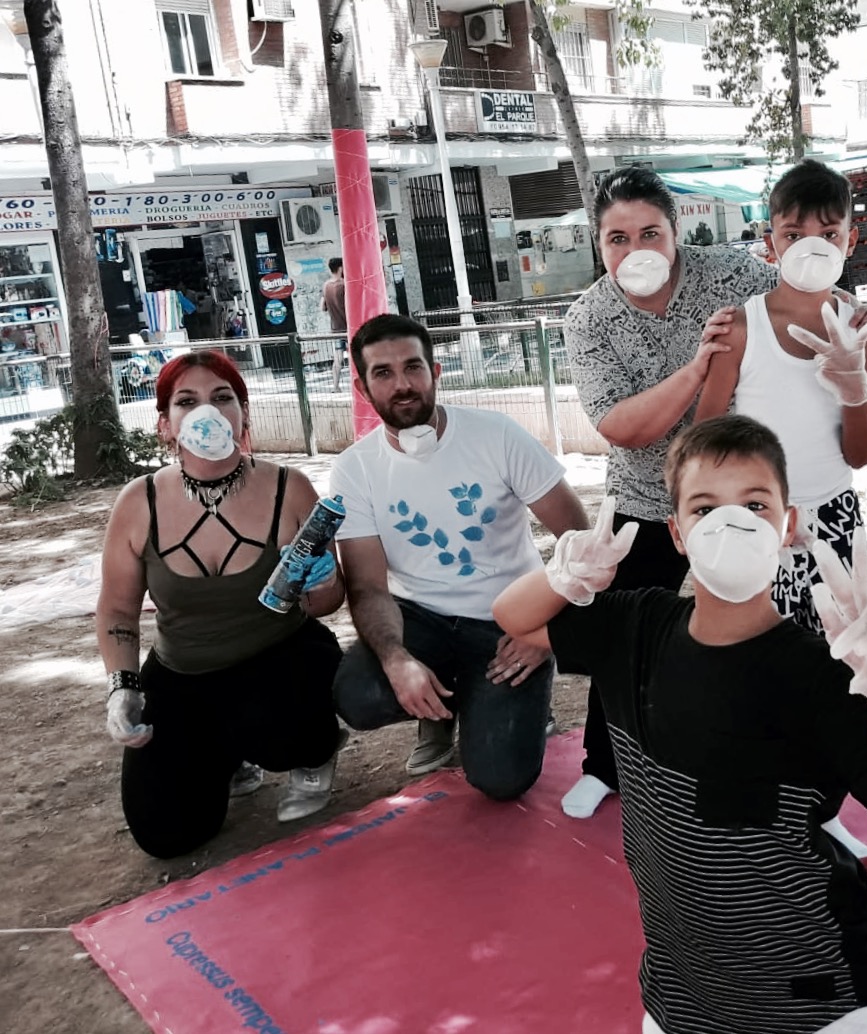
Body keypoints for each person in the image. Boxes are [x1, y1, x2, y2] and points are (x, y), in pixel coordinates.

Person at [494, 416, 867, 1034]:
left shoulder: (817, 670)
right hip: (685, 988)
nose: (730, 524)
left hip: (825, 988)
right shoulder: (633, 626)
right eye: (705, 508)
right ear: (677, 533)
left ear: (787, 525)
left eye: (754, 504)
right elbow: (515, 619)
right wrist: (563, 576)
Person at [558, 166, 778, 821]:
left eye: (649, 233)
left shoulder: (732, 274)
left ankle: (763, 763)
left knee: (755, 628)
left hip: (738, 492)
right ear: (599, 245)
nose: (636, 251)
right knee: (622, 632)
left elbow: (801, 307)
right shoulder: (587, 318)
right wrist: (697, 369)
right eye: (618, 239)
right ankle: (603, 765)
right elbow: (621, 427)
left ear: (675, 231)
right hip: (643, 498)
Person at [695, 158, 867, 866]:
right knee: (753, 666)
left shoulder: (861, 325)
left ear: (848, 239)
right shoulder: (740, 327)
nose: (811, 245)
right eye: (792, 231)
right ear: (768, 240)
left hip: (833, 518)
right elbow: (707, 433)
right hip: (755, 524)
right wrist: (744, 514)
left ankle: (821, 811)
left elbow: (861, 452)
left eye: (828, 232)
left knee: (836, 667)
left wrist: (854, 386)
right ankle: (756, 810)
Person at [96, 351, 348, 859]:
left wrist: (322, 584)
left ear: (243, 414)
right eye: (187, 401)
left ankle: (313, 753)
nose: (206, 412)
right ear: (165, 424)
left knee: (281, 720)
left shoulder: (288, 488)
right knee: (165, 833)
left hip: (279, 661)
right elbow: (118, 610)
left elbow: (328, 601)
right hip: (182, 671)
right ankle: (230, 756)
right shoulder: (138, 502)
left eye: (222, 397)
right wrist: (122, 687)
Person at [330, 313, 589, 798]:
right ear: (363, 389)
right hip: (419, 620)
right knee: (359, 696)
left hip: (510, 619)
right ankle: (439, 707)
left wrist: (547, 633)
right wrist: (396, 660)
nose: (402, 385)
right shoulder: (353, 468)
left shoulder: (497, 435)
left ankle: (496, 700)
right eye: (383, 373)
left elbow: (578, 538)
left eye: (413, 367)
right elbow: (367, 586)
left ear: (435, 372)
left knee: (501, 780)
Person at [323, 257, 348, 392]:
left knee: (338, 359)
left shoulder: (326, 286)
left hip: (335, 329)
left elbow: (323, 307)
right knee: (355, 356)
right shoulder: (344, 285)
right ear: (340, 268)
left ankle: (335, 386)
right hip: (349, 328)